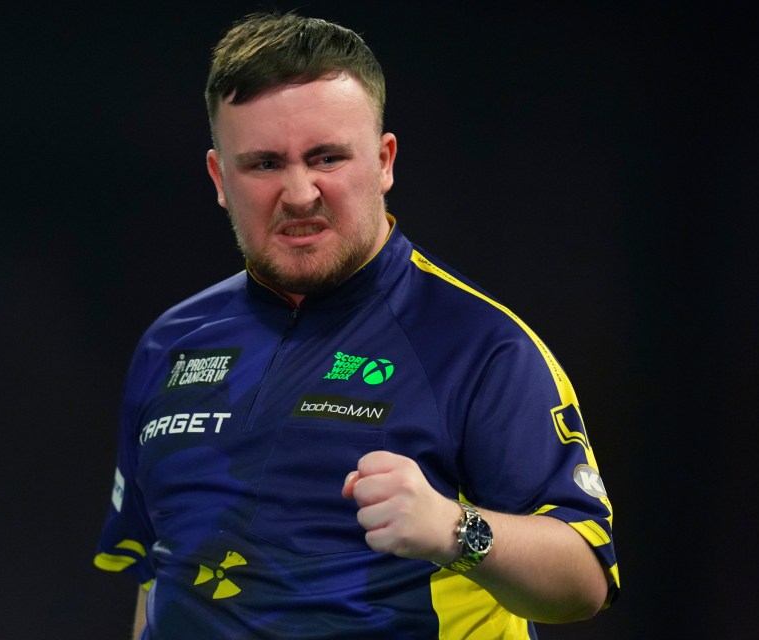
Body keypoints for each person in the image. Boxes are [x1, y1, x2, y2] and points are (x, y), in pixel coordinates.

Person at [94, 11, 619, 639]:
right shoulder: (170, 344)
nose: (299, 192)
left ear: (384, 160)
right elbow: (158, 578)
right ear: (219, 179)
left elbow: (585, 578)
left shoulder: (480, 345)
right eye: (263, 163)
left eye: (327, 157)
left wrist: (458, 531)